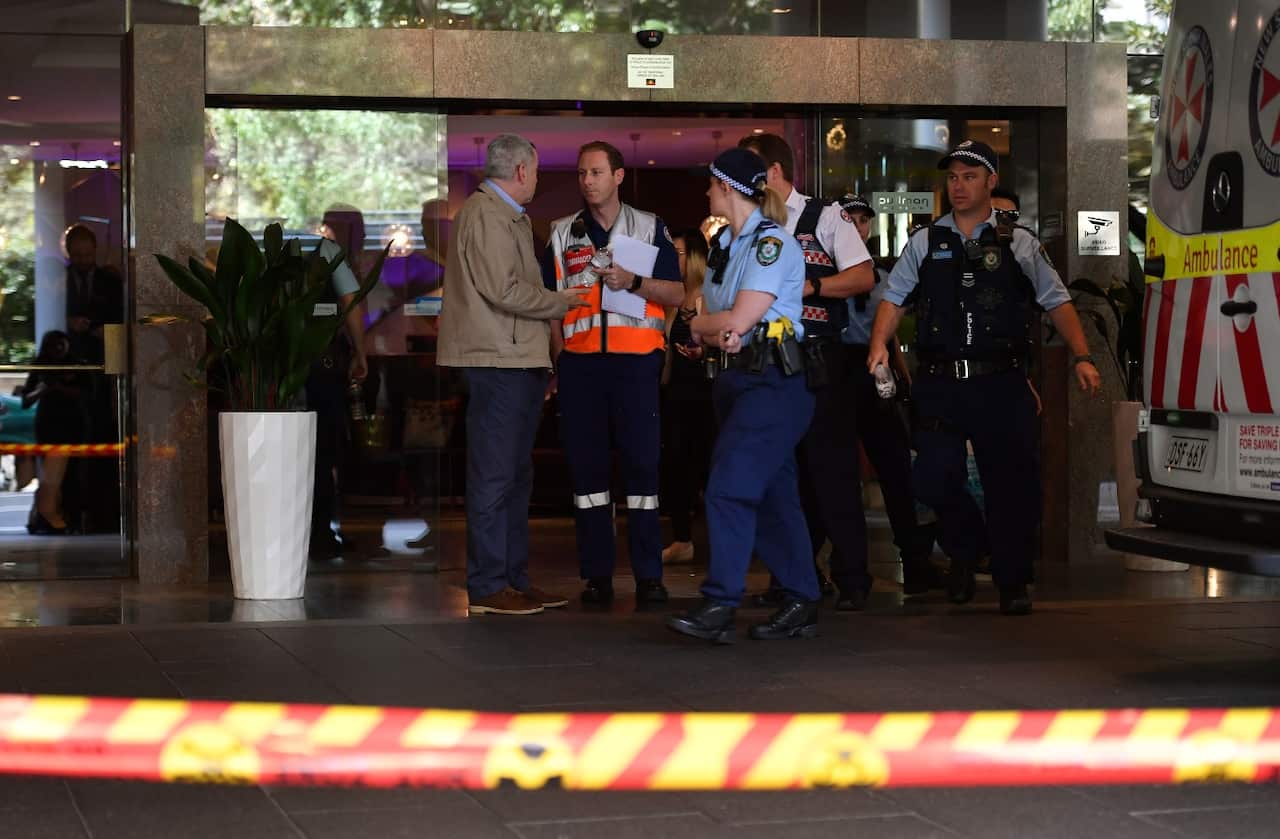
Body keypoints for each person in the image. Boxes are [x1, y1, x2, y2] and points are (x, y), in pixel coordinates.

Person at [867, 140, 1102, 616]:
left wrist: (1082, 355)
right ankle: (966, 546)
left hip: (1001, 382)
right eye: (953, 177)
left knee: (1010, 485)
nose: (958, 185)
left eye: (970, 177)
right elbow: (893, 298)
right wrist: (877, 348)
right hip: (941, 382)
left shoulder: (1018, 242)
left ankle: (1011, 580)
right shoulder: (926, 242)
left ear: (991, 183)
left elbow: (1056, 300)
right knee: (931, 478)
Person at [666, 148, 819, 643]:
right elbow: (710, 329)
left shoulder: (771, 244)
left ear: (726, 187)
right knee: (774, 494)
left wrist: (708, 325)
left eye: (711, 184)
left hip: (773, 384)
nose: (707, 192)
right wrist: (711, 328)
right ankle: (800, 597)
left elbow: (723, 321)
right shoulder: (725, 247)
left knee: (728, 487)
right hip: (735, 382)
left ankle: (720, 603)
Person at [438, 133, 590, 616]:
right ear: (522, 170)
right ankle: (487, 586)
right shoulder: (486, 215)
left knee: (515, 477)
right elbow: (504, 289)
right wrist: (560, 303)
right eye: (538, 172)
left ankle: (513, 580)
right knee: (494, 476)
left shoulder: (509, 217)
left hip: (517, 360)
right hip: (497, 361)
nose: (538, 180)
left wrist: (548, 352)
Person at [737, 133, 877, 611]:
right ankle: (792, 579)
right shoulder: (750, 223)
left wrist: (809, 286)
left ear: (775, 172)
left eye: (752, 172)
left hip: (819, 360)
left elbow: (863, 275)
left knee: (832, 470)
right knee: (782, 475)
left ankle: (853, 576)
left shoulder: (825, 216)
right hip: (768, 360)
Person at [541, 141, 683, 608]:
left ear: (618, 176)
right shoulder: (562, 233)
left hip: (635, 360)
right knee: (588, 472)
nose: (587, 181)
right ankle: (597, 575)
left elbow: (678, 293)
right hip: (581, 365)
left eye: (597, 172)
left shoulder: (648, 227)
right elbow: (547, 305)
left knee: (642, 467)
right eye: (582, 173)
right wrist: (559, 359)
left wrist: (635, 282)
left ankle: (649, 575)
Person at [839, 195, 944, 596]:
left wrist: (903, 380)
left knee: (896, 468)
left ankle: (915, 561)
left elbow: (892, 332)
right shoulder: (825, 271)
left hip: (876, 368)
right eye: (852, 219)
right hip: (837, 368)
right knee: (838, 473)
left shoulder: (882, 273)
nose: (859, 227)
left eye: (865, 220)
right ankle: (843, 567)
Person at [306, 206, 370, 557]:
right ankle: (320, 535)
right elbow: (351, 302)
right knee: (323, 450)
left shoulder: (266, 251)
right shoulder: (325, 252)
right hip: (322, 366)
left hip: (277, 371)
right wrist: (361, 352)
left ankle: (292, 533)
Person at [660, 229, 714, 565]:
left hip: (707, 392)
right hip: (676, 391)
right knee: (675, 464)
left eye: (678, 253)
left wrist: (703, 350)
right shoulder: (670, 298)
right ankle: (682, 538)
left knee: (708, 465)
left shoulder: (709, 292)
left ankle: (720, 539)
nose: (672, 260)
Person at [22, 331, 87, 535]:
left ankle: (72, 520)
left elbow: (87, 393)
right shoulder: (40, 366)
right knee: (49, 477)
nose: (58, 350)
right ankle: (46, 519)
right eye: (53, 346)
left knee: (72, 476)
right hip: (48, 425)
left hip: (73, 424)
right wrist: (43, 389)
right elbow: (26, 400)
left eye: (61, 345)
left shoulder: (77, 364)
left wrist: (59, 387)